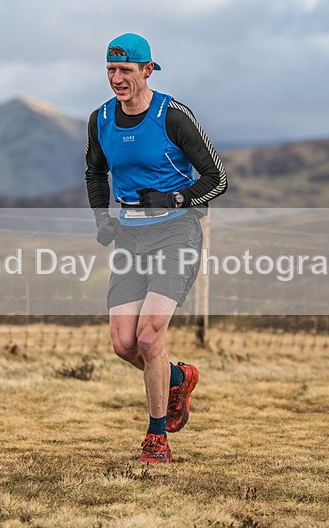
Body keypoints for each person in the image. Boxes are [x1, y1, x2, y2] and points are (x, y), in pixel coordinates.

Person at [85, 33, 227, 463]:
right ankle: (180, 376)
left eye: (125, 70)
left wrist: (175, 199)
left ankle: (156, 436)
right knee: (123, 343)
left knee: (149, 337)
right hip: (130, 237)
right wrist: (102, 219)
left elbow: (216, 178)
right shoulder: (101, 119)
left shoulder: (173, 115)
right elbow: (95, 173)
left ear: (148, 70)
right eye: (111, 70)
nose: (116, 78)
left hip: (176, 234)